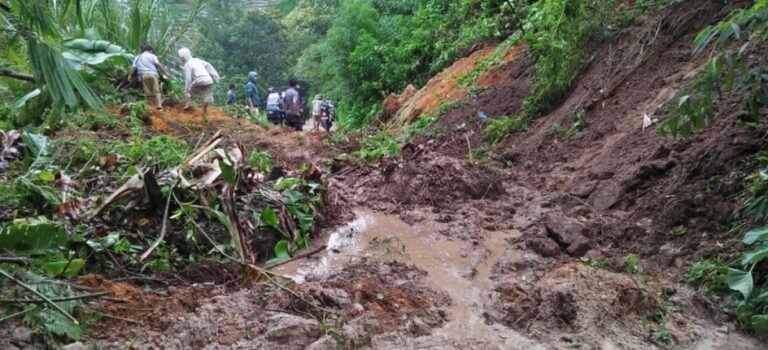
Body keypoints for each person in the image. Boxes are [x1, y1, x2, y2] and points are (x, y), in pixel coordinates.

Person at [128, 44, 172, 110]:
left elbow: (133, 67)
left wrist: (130, 75)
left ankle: (150, 107)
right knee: (156, 91)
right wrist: (166, 72)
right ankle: (159, 105)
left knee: (147, 92)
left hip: (143, 75)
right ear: (150, 50)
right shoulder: (153, 56)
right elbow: (158, 64)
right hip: (153, 75)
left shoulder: (138, 57)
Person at [178, 48, 219, 116]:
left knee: (189, 90)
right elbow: (208, 65)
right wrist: (216, 76)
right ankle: (204, 112)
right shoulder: (197, 60)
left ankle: (188, 104)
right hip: (209, 80)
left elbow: (188, 79)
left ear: (183, 57)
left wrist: (186, 89)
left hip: (200, 79)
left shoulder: (187, 64)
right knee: (207, 97)